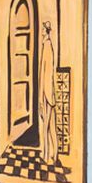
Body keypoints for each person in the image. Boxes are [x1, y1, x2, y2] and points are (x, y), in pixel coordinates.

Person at [38, 21, 58, 164]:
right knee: (51, 126)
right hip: (49, 92)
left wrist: (42, 95)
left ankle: (45, 155)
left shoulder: (46, 46)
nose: (41, 31)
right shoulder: (48, 46)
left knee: (46, 126)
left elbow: (46, 73)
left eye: (43, 29)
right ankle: (54, 154)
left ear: (46, 31)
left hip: (47, 93)